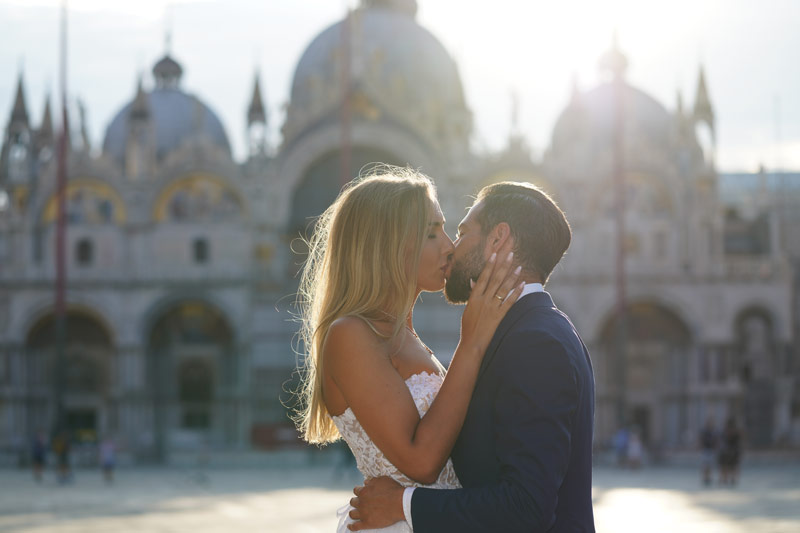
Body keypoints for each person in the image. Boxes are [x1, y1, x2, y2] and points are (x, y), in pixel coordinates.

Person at [349, 181, 595, 532]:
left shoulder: (536, 343)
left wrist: (403, 503)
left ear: (498, 240)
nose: (452, 248)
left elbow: (526, 506)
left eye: (463, 233)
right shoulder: (525, 331)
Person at [295, 169, 523, 533]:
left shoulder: (409, 336)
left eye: (445, 229)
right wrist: (473, 341)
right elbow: (422, 462)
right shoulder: (350, 335)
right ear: (386, 244)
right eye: (432, 232)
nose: (449, 245)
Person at [718, 416, 742, 486]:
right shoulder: (727, 431)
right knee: (728, 466)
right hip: (728, 451)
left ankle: (729, 479)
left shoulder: (735, 432)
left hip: (731, 451)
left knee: (730, 466)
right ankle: (728, 479)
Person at [699, 417, 718, 486]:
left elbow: (716, 441)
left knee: (710, 465)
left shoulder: (714, 432)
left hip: (711, 450)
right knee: (705, 465)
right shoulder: (704, 431)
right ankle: (705, 477)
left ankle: (709, 477)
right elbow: (701, 440)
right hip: (705, 450)